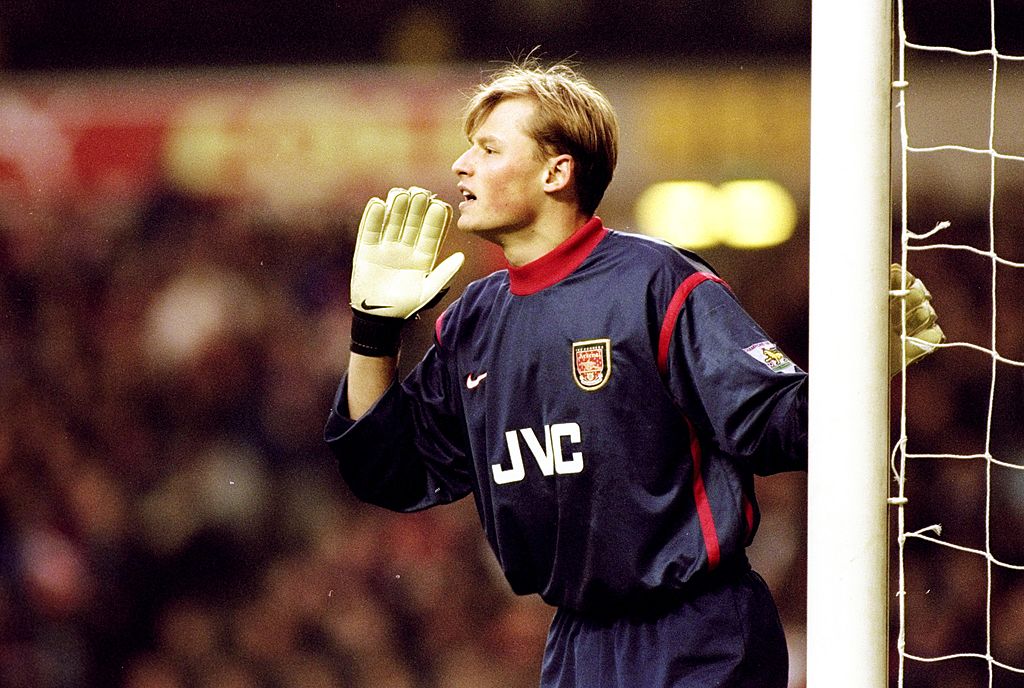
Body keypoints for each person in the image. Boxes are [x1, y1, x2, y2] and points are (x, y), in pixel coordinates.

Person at [325, 60, 942, 687]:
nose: (461, 165)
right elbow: (389, 472)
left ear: (556, 171)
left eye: (487, 148)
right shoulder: (474, 321)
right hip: (575, 645)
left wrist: (863, 373)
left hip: (698, 634)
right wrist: (372, 331)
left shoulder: (657, 282)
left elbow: (778, 426)